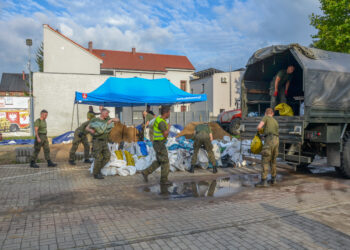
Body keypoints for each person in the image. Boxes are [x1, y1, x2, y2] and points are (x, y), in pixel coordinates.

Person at [141, 105, 171, 185]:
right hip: (160, 144)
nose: (170, 114)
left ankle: (145, 172)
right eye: (169, 112)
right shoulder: (161, 122)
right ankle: (164, 180)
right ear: (166, 113)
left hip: (157, 143)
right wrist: (168, 128)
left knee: (159, 161)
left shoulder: (158, 119)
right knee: (165, 162)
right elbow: (165, 134)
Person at [86, 109, 119, 179]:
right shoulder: (95, 120)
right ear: (102, 113)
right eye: (106, 113)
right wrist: (90, 130)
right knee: (98, 158)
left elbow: (117, 120)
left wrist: (113, 120)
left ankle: (98, 169)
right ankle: (96, 173)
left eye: (108, 114)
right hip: (97, 141)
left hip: (104, 141)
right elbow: (87, 128)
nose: (107, 115)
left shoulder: (107, 120)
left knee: (107, 156)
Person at [255, 108, 279, 187]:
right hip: (276, 140)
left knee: (265, 159)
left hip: (269, 140)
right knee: (273, 160)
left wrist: (260, 130)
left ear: (266, 113)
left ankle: (263, 181)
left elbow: (259, 127)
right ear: (272, 114)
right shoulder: (275, 121)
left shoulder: (266, 118)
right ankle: (273, 179)